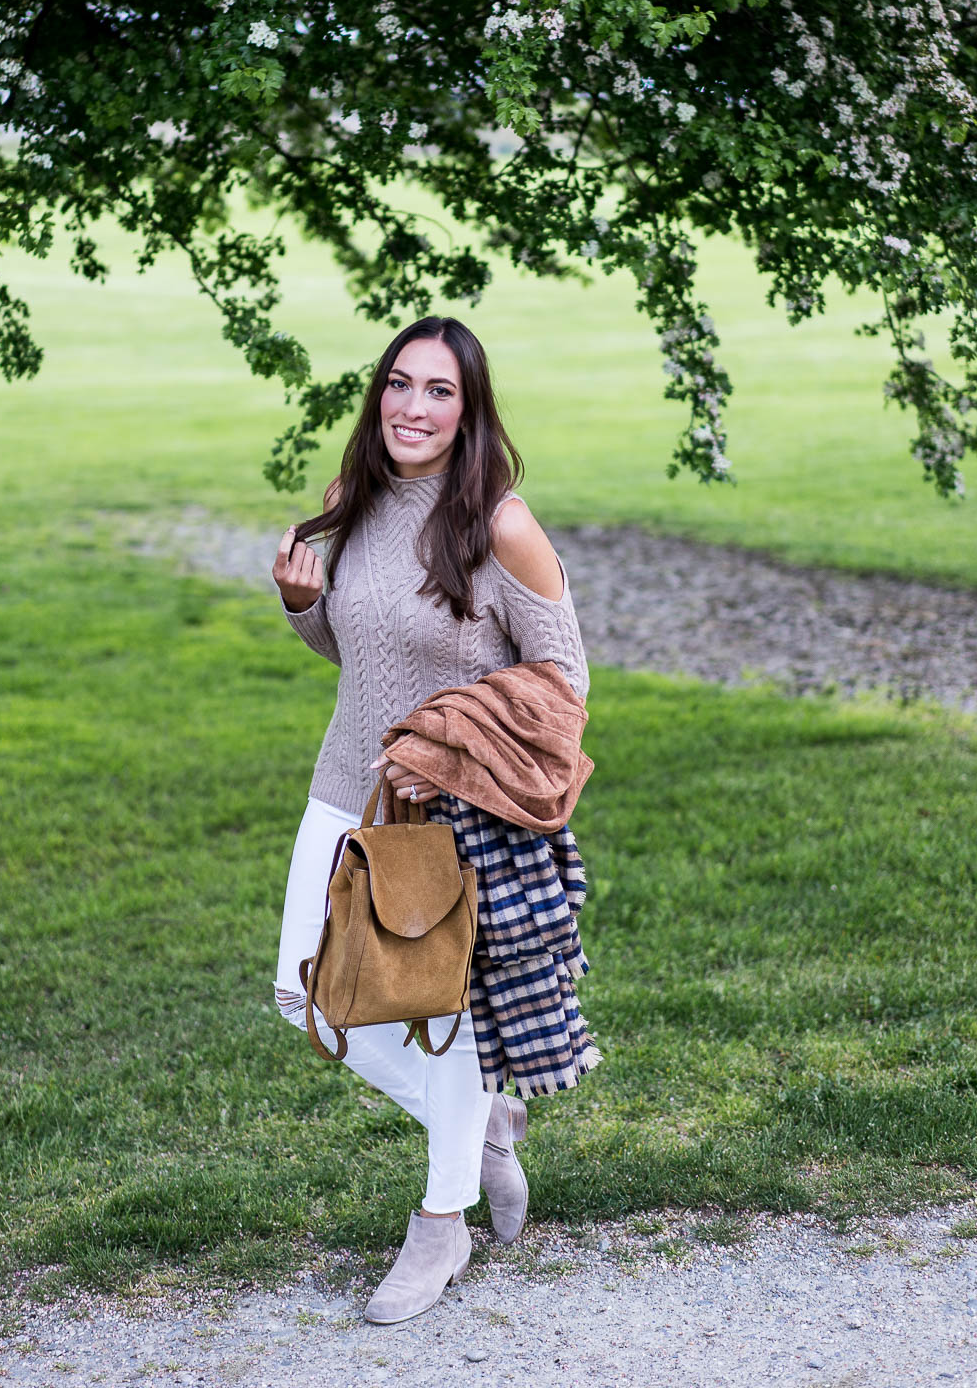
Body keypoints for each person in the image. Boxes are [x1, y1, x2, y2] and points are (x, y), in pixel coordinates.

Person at [271, 314, 591, 1323]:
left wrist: (451, 726)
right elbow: (369, 654)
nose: (413, 408)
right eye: (399, 385)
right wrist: (301, 608)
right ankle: (482, 1129)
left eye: (439, 392)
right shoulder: (354, 504)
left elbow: (566, 679)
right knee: (303, 995)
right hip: (346, 788)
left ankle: (440, 1222)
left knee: (432, 1024)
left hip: (446, 813)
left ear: (470, 408)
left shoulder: (498, 523)